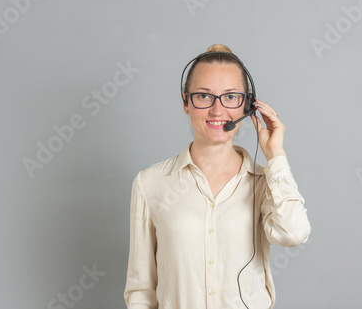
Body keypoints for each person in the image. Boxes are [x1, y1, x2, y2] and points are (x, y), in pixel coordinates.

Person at [124, 44, 311, 309]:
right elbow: (141, 291)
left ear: (247, 105)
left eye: (230, 97)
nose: (217, 110)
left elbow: (292, 234)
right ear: (186, 102)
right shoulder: (150, 184)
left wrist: (275, 156)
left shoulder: (266, 182)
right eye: (204, 96)